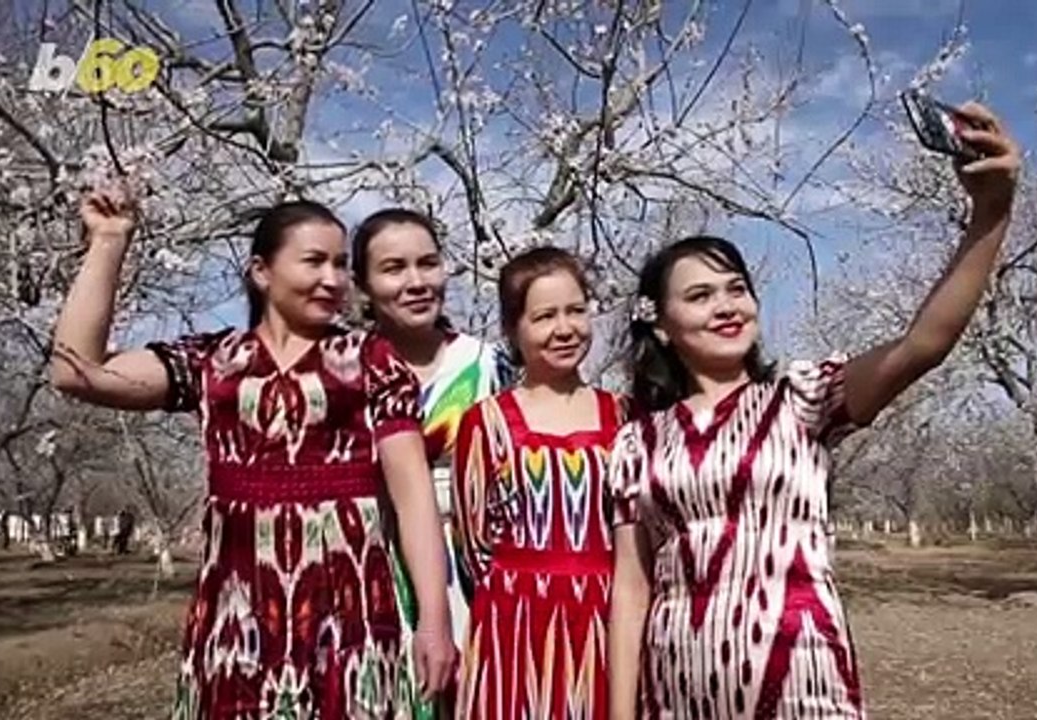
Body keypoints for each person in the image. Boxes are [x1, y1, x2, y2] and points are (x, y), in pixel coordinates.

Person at [607, 101, 1020, 719]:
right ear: (661, 325)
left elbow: (922, 345)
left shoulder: (803, 397)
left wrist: (990, 215)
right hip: (677, 690)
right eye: (700, 295)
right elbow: (631, 590)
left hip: (803, 680)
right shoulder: (635, 443)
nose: (727, 306)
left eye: (737, 288)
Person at [50, 184, 456, 718]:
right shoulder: (212, 363)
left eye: (340, 264)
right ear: (261, 271)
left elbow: (414, 499)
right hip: (235, 624)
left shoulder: (372, 360)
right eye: (314, 261)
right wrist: (108, 241)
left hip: (349, 621)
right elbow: (77, 371)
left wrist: (433, 621)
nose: (333, 279)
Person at [452, 247, 629, 719]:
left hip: (607, 621)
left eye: (576, 310)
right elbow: (474, 546)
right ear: (514, 328)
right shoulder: (485, 423)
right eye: (545, 316)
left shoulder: (624, 416)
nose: (564, 328)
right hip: (514, 625)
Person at [351, 208, 514, 718]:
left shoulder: (487, 364)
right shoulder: (342, 372)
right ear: (363, 285)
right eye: (393, 268)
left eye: (428, 263)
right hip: (370, 569)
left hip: (475, 569)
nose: (416, 282)